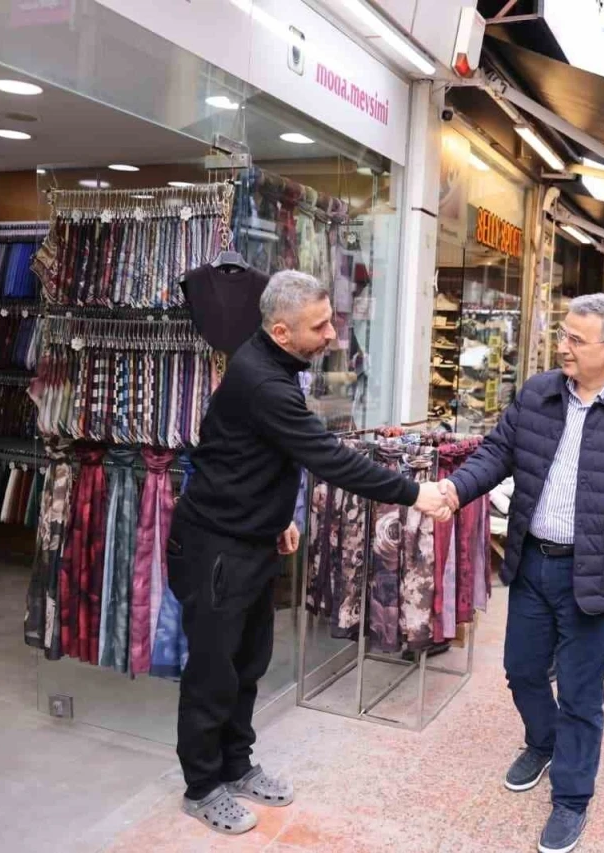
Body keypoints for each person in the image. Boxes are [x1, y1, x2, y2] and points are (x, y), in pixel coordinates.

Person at [167, 270, 453, 836]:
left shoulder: (276, 366)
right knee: (213, 672)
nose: (331, 335)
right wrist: (414, 493)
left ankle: (235, 765)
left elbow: (256, 455)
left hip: (250, 540)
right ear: (281, 331)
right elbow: (327, 458)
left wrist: (279, 517)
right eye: (319, 326)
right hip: (217, 547)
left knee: (247, 663)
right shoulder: (262, 381)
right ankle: (201, 787)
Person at [437, 293, 604, 853]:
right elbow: (495, 454)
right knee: (522, 671)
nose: (562, 346)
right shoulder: (539, 394)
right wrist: (453, 489)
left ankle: (571, 798)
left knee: (580, 693)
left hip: (598, 578)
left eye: (575, 339)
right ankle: (542, 742)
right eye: (563, 334)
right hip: (533, 564)